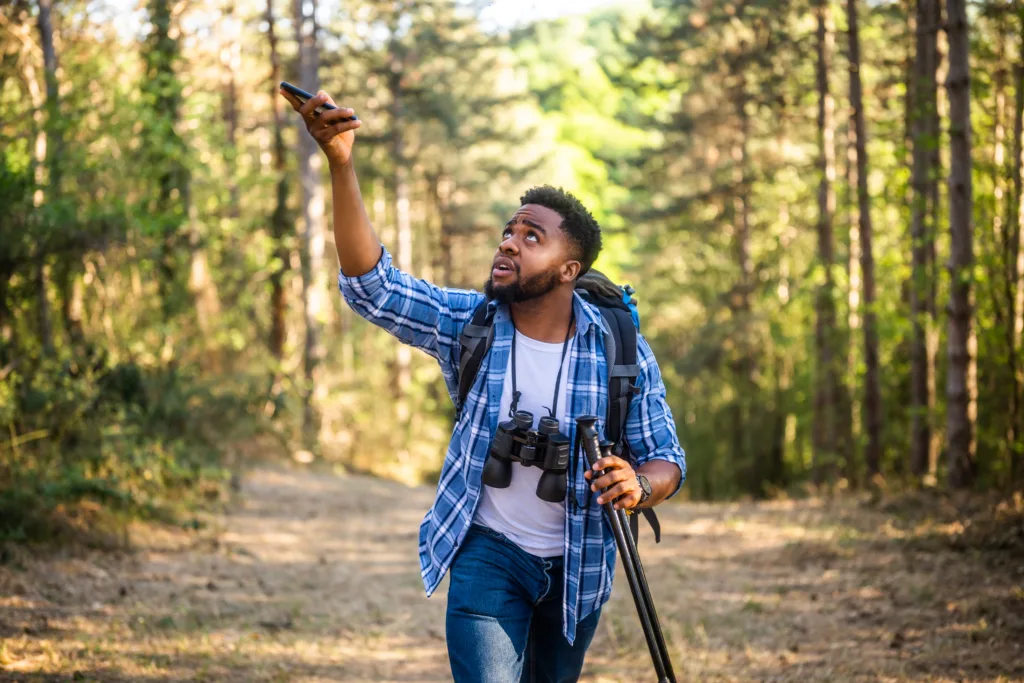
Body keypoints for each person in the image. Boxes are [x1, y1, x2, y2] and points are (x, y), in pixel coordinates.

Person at [281, 88, 687, 683]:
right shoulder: (470, 323)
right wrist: (342, 165)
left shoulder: (618, 346)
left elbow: (667, 460)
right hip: (487, 553)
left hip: (580, 567)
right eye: (508, 230)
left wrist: (639, 484)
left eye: (531, 237)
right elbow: (375, 288)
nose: (508, 242)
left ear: (569, 270)